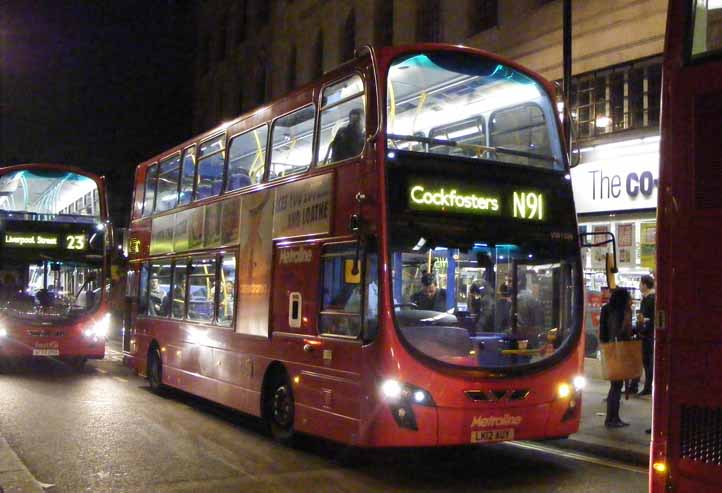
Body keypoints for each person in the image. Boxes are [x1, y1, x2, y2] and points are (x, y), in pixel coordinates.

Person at [600, 287, 634, 428]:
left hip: (609, 349)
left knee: (615, 385)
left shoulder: (606, 309)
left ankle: (613, 417)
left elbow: (604, 332)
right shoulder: (622, 312)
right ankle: (612, 419)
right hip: (619, 350)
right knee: (616, 386)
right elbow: (623, 332)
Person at [637, 275, 655, 396]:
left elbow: (651, 318)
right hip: (645, 333)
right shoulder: (646, 298)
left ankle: (648, 387)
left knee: (648, 362)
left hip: (647, 335)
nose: (639, 286)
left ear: (644, 284)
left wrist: (643, 322)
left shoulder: (651, 299)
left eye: (640, 283)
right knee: (645, 361)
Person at [515, 271, 545, 340]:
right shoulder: (514, 298)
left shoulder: (529, 300)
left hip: (526, 340)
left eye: (510, 281)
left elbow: (538, 326)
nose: (507, 284)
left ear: (519, 282)